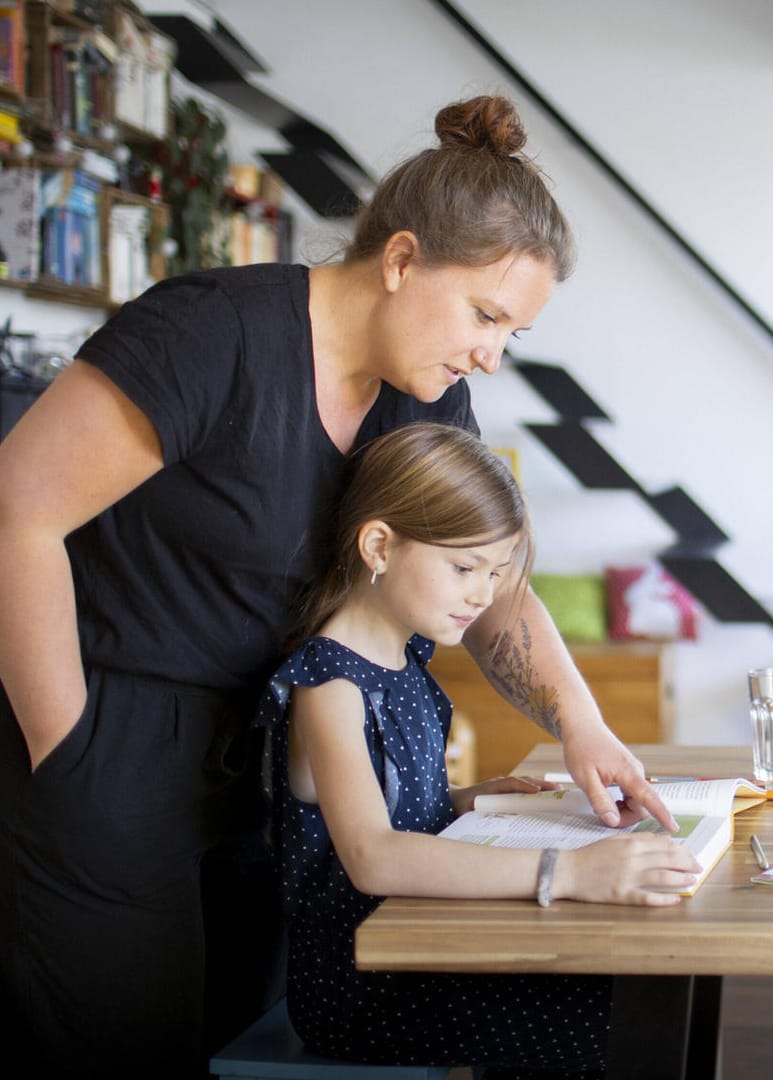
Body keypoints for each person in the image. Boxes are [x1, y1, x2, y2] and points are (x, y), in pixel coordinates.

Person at [0, 94, 674, 1076]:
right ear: (401, 260)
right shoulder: (213, 333)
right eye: (485, 315)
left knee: (235, 1038)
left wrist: (582, 723)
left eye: (511, 334)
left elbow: (486, 573)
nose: (490, 352)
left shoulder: (427, 392)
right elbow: (18, 511)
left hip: (264, 766)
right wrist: (69, 754)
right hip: (113, 753)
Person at [260, 421, 700, 1072]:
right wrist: (570, 873)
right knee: (620, 1016)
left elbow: (381, 806)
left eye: (495, 572)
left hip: (429, 948)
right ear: (379, 545)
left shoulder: (404, 655)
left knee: (643, 993)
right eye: (465, 567)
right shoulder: (330, 683)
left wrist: (467, 799)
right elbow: (374, 857)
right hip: (366, 986)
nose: (484, 595)